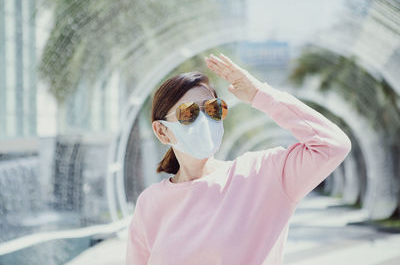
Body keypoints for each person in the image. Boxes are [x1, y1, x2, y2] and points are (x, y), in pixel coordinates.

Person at [125, 53, 352, 264]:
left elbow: (332, 145)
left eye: (213, 109)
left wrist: (259, 95)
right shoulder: (150, 202)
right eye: (189, 113)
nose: (204, 120)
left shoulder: (262, 174)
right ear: (162, 131)